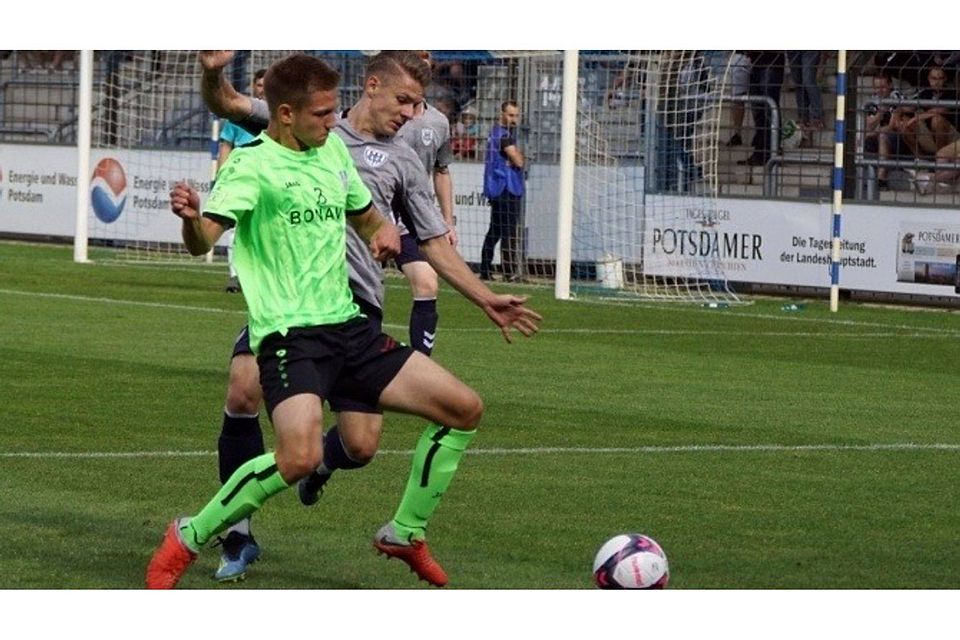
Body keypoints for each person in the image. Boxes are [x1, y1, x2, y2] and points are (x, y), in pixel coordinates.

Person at [160, 50, 542, 589]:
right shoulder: (309, 124)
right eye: (404, 101)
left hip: (354, 312)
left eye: (419, 105)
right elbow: (222, 102)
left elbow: (429, 241)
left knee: (360, 445)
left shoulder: (398, 159)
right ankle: (234, 530)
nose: (411, 115)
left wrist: (482, 296)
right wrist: (210, 71)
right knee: (244, 388)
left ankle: (352, 494)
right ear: (373, 86)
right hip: (289, 311)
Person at [394, 50, 456, 355]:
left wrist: (447, 220)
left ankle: (420, 364)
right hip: (371, 215)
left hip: (413, 220)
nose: (423, 61)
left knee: (428, 284)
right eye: (416, 55)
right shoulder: (383, 115)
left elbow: (442, 171)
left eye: (427, 56)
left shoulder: (439, 122)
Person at [218, 67, 266, 294]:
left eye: (267, 85)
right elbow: (226, 146)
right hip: (241, 177)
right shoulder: (238, 117)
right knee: (234, 229)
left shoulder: (280, 116)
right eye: (259, 85)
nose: (262, 89)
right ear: (254, 87)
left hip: (267, 179)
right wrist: (222, 176)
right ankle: (235, 276)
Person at [480, 100, 525, 282]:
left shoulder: (494, 134)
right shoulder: (505, 136)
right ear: (502, 114)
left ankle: (485, 269)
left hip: (496, 187)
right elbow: (519, 161)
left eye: (516, 115)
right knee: (508, 231)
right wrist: (519, 157)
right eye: (511, 115)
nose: (514, 119)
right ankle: (509, 272)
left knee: (495, 231)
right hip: (507, 188)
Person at [738, 51, 785, 167]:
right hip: (756, 63)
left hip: (771, 63)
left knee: (769, 109)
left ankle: (773, 151)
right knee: (758, 111)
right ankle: (761, 152)